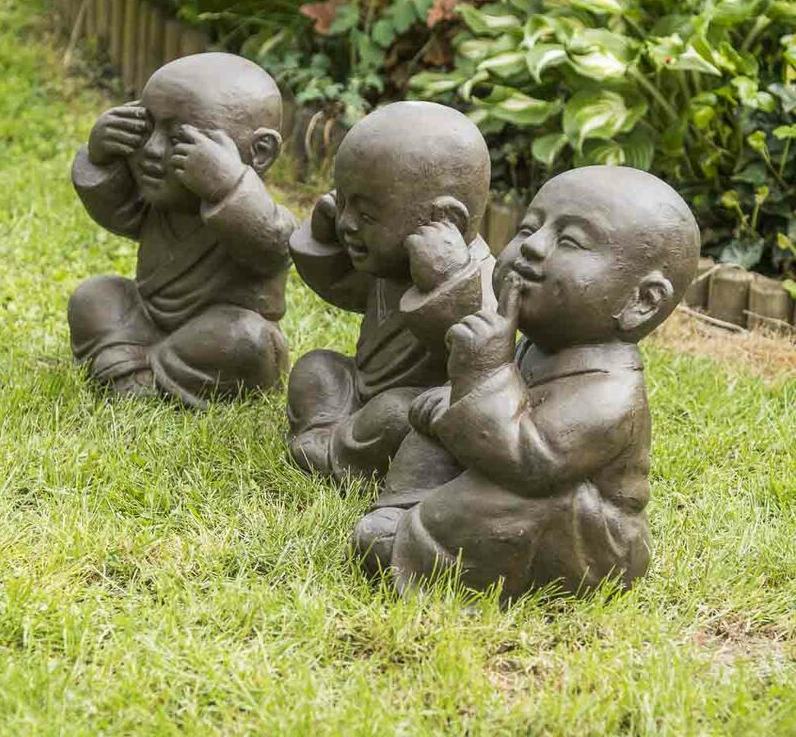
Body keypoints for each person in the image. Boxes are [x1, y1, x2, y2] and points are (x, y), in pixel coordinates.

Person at [353, 165, 700, 599]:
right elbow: (505, 412)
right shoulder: (540, 346)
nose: (532, 246)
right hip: (517, 467)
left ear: (641, 301)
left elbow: (530, 463)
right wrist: (460, 397)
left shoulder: (611, 394)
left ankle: (420, 546)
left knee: (505, 499)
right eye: (529, 227)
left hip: (587, 536)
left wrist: (484, 374)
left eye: (570, 241)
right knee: (440, 423)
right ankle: (402, 511)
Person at [68, 53, 297, 407]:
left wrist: (228, 189)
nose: (153, 149)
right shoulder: (163, 204)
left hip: (216, 338)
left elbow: (273, 248)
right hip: (149, 319)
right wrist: (98, 158)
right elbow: (117, 213)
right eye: (146, 128)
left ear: (259, 152)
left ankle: (129, 369)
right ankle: (145, 368)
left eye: (181, 139)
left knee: (248, 341)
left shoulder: (260, 214)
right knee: (94, 296)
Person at [287, 101, 495, 483]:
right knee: (316, 368)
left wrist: (449, 283)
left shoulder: (480, 280)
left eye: (366, 215)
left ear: (445, 220)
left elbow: (478, 358)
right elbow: (340, 288)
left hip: (420, 410)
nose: (347, 222)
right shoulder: (387, 265)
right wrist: (322, 239)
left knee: (395, 414)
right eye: (343, 202)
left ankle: (335, 454)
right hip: (360, 393)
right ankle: (322, 433)